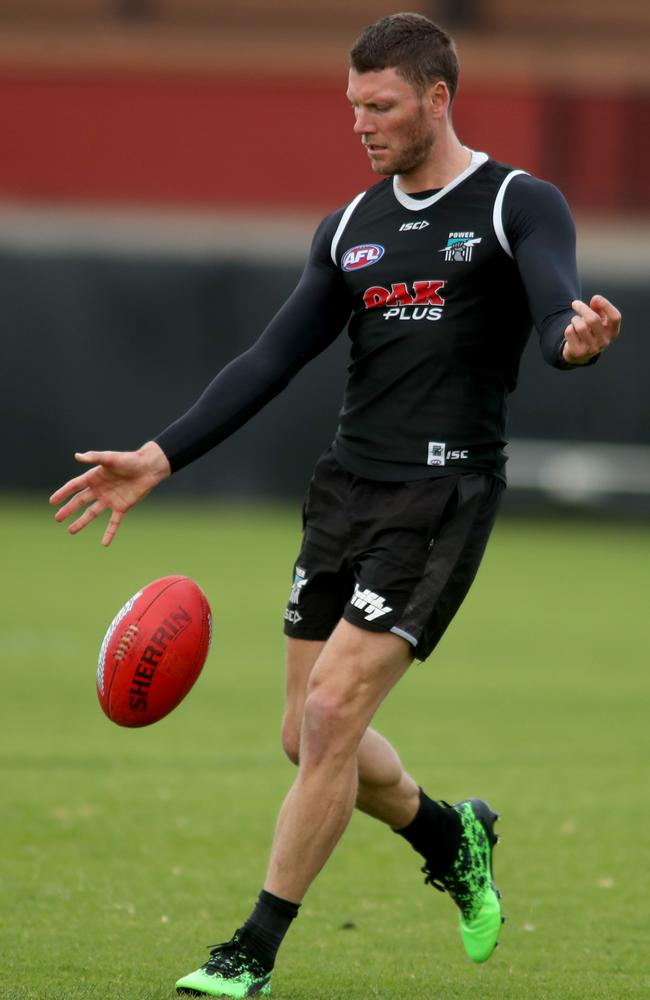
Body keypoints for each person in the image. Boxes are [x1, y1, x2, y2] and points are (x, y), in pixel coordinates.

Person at [50, 12, 621, 998]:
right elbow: (269, 358)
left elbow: (552, 313)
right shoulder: (352, 227)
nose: (360, 123)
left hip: (442, 493)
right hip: (346, 487)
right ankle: (452, 835)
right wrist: (158, 455)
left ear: (436, 98)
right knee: (304, 737)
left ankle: (251, 949)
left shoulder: (514, 203)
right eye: (352, 105)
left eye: (380, 105)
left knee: (328, 712)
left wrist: (573, 339)